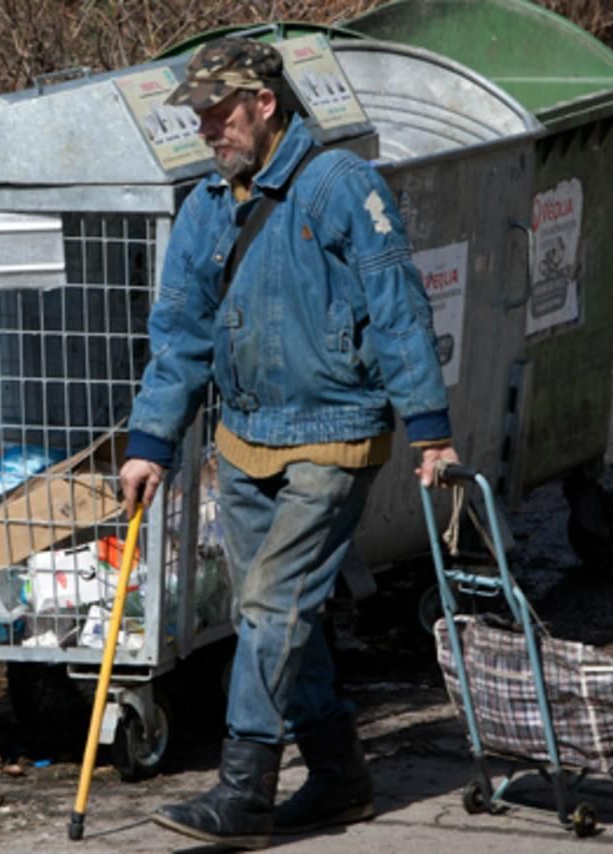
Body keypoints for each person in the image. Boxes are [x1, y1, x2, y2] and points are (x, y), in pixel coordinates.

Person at [118, 37, 459, 849]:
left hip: (335, 432)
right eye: (198, 115)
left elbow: (398, 307)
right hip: (244, 442)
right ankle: (340, 777)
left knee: (273, 606)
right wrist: (151, 441)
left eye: (219, 112)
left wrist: (431, 430)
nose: (207, 129)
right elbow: (180, 338)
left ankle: (245, 792)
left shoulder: (342, 185)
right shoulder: (204, 207)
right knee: (272, 613)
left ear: (265, 104)